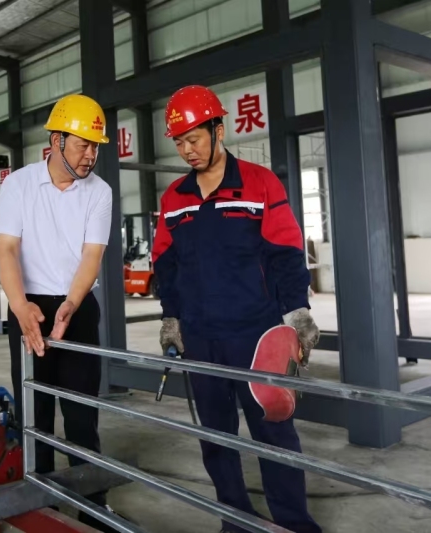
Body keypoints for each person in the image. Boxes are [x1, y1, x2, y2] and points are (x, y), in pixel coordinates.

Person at [152, 85, 322, 533]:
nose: (187, 150)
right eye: (179, 143)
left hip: (256, 335)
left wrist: (297, 313)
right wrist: (171, 317)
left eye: (194, 139)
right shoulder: (174, 198)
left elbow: (286, 252)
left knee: (274, 432)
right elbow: (164, 263)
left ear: (219, 130)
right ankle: (236, 521)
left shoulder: (259, 183)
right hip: (200, 336)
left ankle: (294, 524)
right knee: (215, 436)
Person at [0, 93, 120, 531]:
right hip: (28, 307)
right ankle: (41, 503)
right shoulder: (18, 185)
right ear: (56, 140)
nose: (90, 156)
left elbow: (91, 256)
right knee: (37, 413)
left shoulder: (99, 192)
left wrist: (70, 303)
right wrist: (19, 306)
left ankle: (92, 505)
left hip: (76, 308)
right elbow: (7, 250)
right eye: (83, 145)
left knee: (82, 414)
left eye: (95, 147)